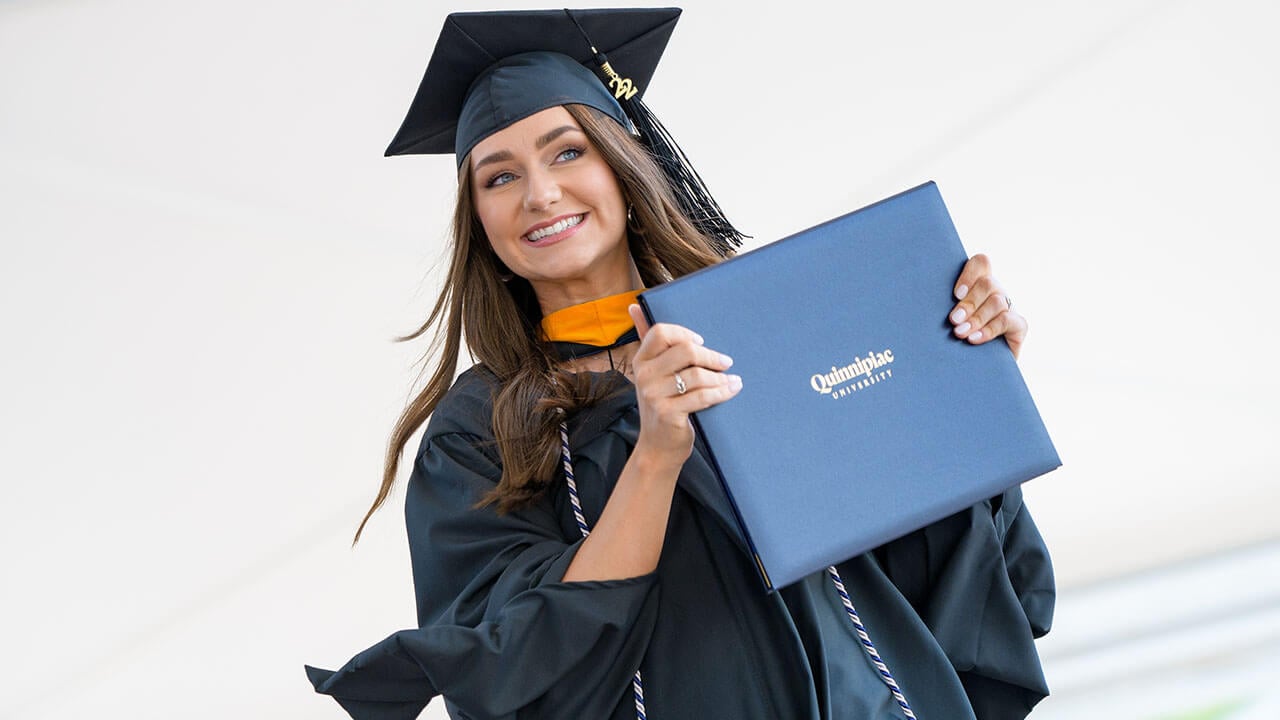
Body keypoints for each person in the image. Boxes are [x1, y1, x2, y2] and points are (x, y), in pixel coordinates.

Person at [307, 8, 1053, 720]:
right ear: (480, 224)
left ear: (625, 168)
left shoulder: (767, 326)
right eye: (498, 177)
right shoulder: (480, 426)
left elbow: (934, 563)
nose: (540, 194)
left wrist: (966, 384)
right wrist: (656, 456)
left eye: (569, 151)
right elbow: (509, 668)